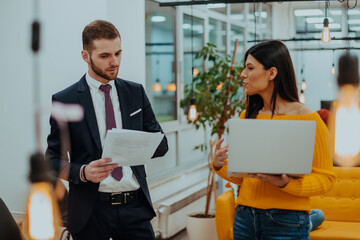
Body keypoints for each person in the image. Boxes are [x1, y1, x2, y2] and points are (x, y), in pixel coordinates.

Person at [46, 20, 168, 240]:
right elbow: (52, 160)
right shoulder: (65, 100)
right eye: (105, 56)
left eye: (118, 53)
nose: (114, 62)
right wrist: (83, 172)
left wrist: (136, 146)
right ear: (86, 56)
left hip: (135, 207)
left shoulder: (135, 92)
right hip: (90, 211)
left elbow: (162, 145)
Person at [213, 40, 335, 240]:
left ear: (271, 73)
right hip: (245, 216)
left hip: (287, 219)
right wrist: (219, 165)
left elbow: (326, 179)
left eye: (250, 68)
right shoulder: (247, 116)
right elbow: (245, 176)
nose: (243, 74)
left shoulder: (309, 119)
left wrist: (285, 183)